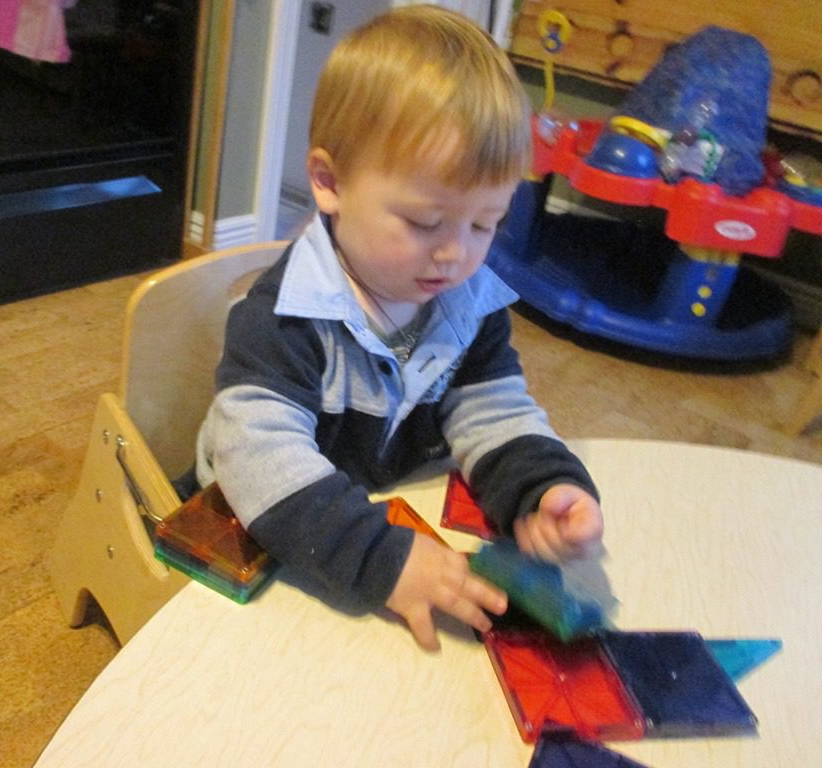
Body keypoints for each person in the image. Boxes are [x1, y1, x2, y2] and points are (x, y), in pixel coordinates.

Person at [194, 5, 603, 651]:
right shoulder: (282, 318)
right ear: (330, 182)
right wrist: (381, 557)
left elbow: (494, 412)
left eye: (485, 223)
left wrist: (542, 487)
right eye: (424, 222)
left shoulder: (469, 305)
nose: (456, 255)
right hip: (272, 532)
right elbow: (259, 463)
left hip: (381, 509)